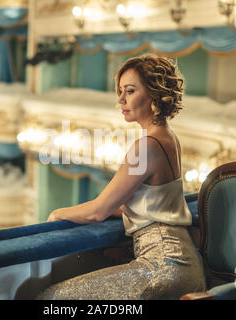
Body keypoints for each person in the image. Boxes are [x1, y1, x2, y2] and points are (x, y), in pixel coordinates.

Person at [38, 54, 206, 300]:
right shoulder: (168, 137)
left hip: (164, 267)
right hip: (185, 265)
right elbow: (148, 205)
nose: (121, 99)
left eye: (130, 91)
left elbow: (98, 211)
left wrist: (58, 214)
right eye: (120, 91)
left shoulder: (147, 145)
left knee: (51, 298)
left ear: (153, 94)